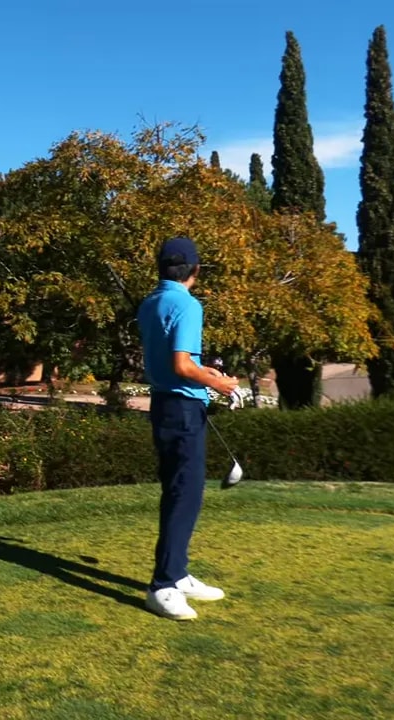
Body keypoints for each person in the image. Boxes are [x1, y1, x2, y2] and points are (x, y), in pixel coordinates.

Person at [136, 236, 241, 621]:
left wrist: (206, 373)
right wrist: (220, 383)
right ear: (195, 270)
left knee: (180, 491)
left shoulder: (150, 303)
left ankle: (177, 574)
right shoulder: (187, 304)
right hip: (182, 407)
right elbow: (182, 366)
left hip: (165, 404)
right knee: (185, 494)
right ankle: (162, 585)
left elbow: (175, 362)